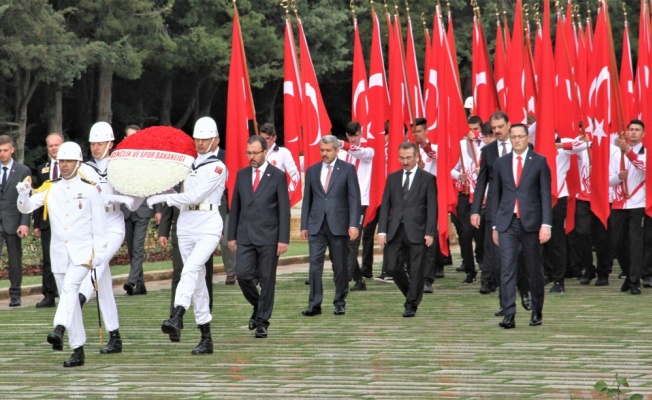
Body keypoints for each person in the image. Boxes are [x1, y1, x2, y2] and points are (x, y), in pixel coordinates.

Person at [17, 141, 107, 368]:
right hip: (59, 253)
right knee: (70, 299)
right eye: (61, 161)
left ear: (78, 163)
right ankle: (78, 349)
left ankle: (58, 328)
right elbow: (26, 208)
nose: (64, 165)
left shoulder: (90, 188)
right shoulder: (50, 187)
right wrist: (23, 195)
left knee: (69, 289)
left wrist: (100, 253)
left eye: (68, 161)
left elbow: (99, 225)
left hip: (82, 253)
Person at [148, 116, 227, 355]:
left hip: (207, 224)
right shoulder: (187, 163)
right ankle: (206, 337)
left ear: (216, 140)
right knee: (198, 281)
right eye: (198, 139)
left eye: (205, 139)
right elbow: (179, 189)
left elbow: (194, 196)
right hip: (186, 224)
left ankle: (178, 314)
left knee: (191, 268)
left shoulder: (217, 167)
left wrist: (164, 198)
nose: (200, 143)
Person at [78, 121, 140, 355]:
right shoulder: (84, 168)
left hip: (113, 223)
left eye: (100, 143)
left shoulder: (120, 167)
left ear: (110, 144)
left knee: (98, 261)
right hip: (92, 225)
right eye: (93, 143)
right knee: (103, 284)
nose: (95, 148)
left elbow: (135, 202)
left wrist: (117, 199)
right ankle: (115, 336)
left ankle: (77, 301)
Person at [228, 136, 290, 338]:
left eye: (255, 153)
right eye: (248, 153)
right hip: (245, 235)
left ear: (265, 152)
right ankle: (258, 305)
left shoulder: (278, 176)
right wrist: (231, 235)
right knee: (243, 275)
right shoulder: (242, 174)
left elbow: (284, 210)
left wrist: (283, 239)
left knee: (266, 280)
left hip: (269, 237)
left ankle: (262, 321)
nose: (251, 157)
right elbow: (235, 206)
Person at [491, 123, 552, 329]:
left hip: (532, 222)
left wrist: (546, 224)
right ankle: (509, 313)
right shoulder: (501, 163)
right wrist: (495, 226)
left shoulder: (539, 162)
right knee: (507, 268)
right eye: (513, 136)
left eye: (520, 136)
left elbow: (545, 195)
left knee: (534, 268)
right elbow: (496, 196)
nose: (517, 140)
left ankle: (536, 311)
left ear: (527, 138)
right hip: (507, 222)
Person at [471, 111, 531, 314]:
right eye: (494, 128)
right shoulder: (488, 151)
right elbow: (481, 182)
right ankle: (505, 303)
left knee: (519, 255)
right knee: (498, 261)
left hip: (520, 210)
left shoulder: (524, 147)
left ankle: (524, 289)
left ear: (509, 125)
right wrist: (475, 209)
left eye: (500, 127)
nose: (496, 131)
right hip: (496, 213)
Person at [300, 135, 361, 317]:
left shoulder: (348, 170)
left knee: (340, 266)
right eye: (322, 150)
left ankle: (340, 301)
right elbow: (307, 199)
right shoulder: (312, 170)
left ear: (337, 150)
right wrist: (304, 225)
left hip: (339, 225)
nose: (324, 153)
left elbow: (354, 199)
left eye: (328, 150)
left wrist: (353, 224)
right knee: (315, 266)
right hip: (316, 225)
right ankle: (314, 304)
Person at [378, 141, 437, 317]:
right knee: (392, 266)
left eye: (409, 158)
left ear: (416, 157)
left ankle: (411, 304)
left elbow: (432, 207)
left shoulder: (427, 178)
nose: (405, 162)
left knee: (417, 269)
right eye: (402, 158)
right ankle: (411, 293)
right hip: (395, 229)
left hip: (418, 230)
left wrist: (430, 231)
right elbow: (385, 205)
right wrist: (382, 230)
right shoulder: (393, 178)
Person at [157, 201, 214, 343]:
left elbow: (220, 200)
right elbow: (170, 203)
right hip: (182, 233)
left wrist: (219, 229)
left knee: (202, 276)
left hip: (205, 230)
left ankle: (204, 320)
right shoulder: (177, 178)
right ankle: (175, 320)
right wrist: (163, 232)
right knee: (180, 274)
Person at [609, 120, 646, 294]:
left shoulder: (645, 152)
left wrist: (628, 151)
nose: (633, 133)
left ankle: (633, 281)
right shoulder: (616, 154)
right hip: (618, 203)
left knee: (636, 243)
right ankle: (628, 272)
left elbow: (643, 167)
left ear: (642, 134)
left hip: (638, 203)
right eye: (631, 129)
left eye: (637, 130)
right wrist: (618, 177)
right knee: (617, 243)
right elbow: (607, 179)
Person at [337, 121, 374, 291]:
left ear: (361, 133)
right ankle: (359, 279)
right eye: (350, 136)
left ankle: (345, 277)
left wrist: (344, 145)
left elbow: (360, 153)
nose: (353, 139)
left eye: (356, 135)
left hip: (360, 201)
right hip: (344, 201)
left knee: (353, 240)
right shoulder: (343, 153)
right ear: (347, 135)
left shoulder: (368, 150)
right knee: (344, 240)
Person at [451, 116, 485, 285]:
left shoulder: (486, 145)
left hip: (482, 196)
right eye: (470, 129)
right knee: (465, 235)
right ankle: (470, 270)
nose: (473, 132)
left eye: (476, 129)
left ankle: (484, 264)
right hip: (465, 194)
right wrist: (459, 175)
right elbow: (451, 169)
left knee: (480, 235)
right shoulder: (462, 145)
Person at [33, 132, 64, 308]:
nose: (53, 148)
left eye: (56, 145)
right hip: (47, 221)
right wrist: (36, 224)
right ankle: (49, 295)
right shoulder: (42, 169)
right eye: (50, 145)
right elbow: (38, 197)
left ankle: (69, 292)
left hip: (67, 221)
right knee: (48, 259)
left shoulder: (73, 167)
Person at [121, 125, 153, 296]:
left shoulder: (148, 159)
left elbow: (156, 184)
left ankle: (131, 281)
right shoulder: (120, 159)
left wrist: (158, 208)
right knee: (131, 248)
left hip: (142, 209)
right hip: (126, 210)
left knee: (138, 248)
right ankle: (140, 284)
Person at [0, 134, 31, 307]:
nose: (2, 154)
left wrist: (24, 222)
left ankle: (15, 294)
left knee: (14, 260)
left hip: (13, 220)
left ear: (12, 149)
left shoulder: (22, 171)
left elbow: (27, 198)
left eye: (5, 150)